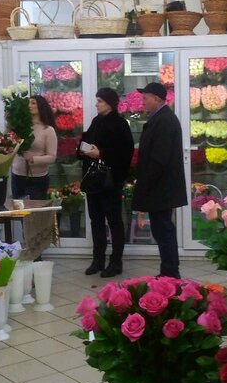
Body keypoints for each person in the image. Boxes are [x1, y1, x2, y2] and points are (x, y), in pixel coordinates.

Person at [131, 81, 187, 279]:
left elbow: (159, 159)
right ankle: (168, 271)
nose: (143, 102)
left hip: (161, 187)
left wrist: (145, 182)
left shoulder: (164, 120)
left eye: (145, 98)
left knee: (163, 230)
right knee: (162, 230)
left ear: (156, 99)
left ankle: (170, 273)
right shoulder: (160, 117)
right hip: (160, 186)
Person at [78, 87, 134, 277]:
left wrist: (101, 153)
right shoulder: (96, 121)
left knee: (114, 221)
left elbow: (125, 152)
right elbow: (86, 141)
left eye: (100, 101)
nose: (96, 104)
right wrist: (83, 149)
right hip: (93, 180)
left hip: (110, 181)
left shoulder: (120, 124)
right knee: (96, 221)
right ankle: (98, 260)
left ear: (110, 103)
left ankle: (116, 262)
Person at [11, 94, 57, 200]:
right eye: (28, 103)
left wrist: (33, 159)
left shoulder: (48, 130)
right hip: (17, 175)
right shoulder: (20, 126)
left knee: (35, 209)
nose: (29, 105)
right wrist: (9, 121)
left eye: (33, 103)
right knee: (18, 208)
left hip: (37, 179)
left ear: (41, 106)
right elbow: (9, 141)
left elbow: (52, 157)